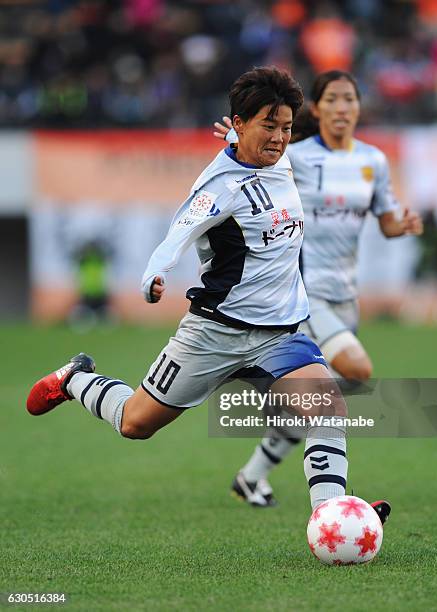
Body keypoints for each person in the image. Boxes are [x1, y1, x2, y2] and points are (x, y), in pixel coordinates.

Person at [27, 67, 386, 522]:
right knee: (135, 423)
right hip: (215, 334)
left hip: (279, 333)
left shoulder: (283, 158)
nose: (279, 138)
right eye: (268, 127)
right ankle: (75, 378)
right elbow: (180, 230)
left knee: (327, 407)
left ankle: (333, 518)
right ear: (238, 123)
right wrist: (155, 273)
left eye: (286, 128)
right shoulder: (221, 187)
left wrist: (263, 135)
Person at [214, 70, 423, 508]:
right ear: (318, 108)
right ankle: (332, 508)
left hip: (346, 295)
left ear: (359, 107)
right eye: (334, 99)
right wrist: (234, 146)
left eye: (350, 99)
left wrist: (400, 226)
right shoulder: (297, 155)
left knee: (316, 399)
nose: (343, 107)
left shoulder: (373, 161)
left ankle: (252, 476)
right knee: (357, 370)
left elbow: (384, 221)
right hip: (304, 291)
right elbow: (255, 167)